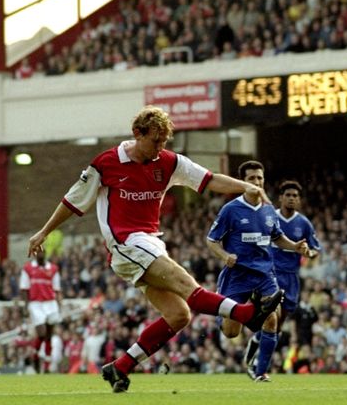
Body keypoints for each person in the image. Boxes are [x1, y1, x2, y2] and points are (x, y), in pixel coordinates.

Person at [28, 105, 280, 393]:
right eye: (155, 141)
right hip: (126, 245)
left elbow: (209, 179)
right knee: (187, 284)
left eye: (164, 142)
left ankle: (120, 367)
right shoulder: (106, 162)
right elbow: (73, 201)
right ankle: (248, 315)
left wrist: (246, 187)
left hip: (149, 244)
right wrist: (44, 231)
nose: (160, 148)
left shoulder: (169, 162)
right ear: (138, 134)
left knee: (179, 315)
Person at [206, 162, 316, 383]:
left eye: (259, 178)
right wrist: (224, 256)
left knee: (272, 319)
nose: (256, 183)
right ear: (242, 182)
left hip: (264, 274)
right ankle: (225, 317)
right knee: (230, 332)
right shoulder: (231, 209)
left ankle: (261, 372)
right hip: (237, 275)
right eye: (251, 179)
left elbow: (277, 238)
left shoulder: (268, 209)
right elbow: (211, 241)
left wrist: (295, 246)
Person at [242, 180, 321, 377]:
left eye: (295, 196)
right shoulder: (269, 217)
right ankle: (260, 372)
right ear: (281, 198)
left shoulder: (303, 223)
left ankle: (255, 344)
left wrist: (309, 253)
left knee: (276, 327)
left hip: (292, 279)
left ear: (299, 200)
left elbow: (314, 249)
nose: (292, 198)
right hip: (271, 275)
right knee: (272, 318)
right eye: (288, 195)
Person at [20, 251, 62, 373]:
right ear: (34, 254)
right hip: (36, 304)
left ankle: (47, 365)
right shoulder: (28, 268)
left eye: (42, 252)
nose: (40, 254)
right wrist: (25, 306)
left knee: (49, 334)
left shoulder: (53, 269)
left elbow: (57, 289)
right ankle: (36, 357)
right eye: (38, 252)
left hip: (50, 303)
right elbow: (24, 289)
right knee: (42, 333)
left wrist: (59, 305)